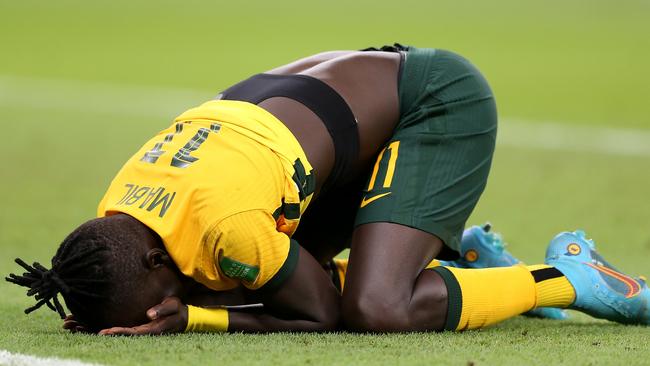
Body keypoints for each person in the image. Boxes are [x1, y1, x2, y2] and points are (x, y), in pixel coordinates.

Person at [6, 44, 649, 335]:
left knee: (376, 308)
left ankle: (566, 277)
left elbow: (321, 314)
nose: (161, 306)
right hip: (331, 123)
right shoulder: (121, 211)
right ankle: (466, 260)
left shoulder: (225, 226)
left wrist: (196, 315)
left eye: (154, 299)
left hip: (432, 100)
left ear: (150, 258)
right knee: (265, 274)